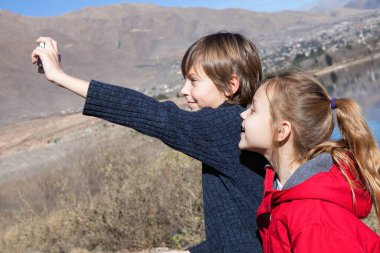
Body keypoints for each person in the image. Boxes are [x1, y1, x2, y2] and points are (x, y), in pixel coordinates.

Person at [31, 32, 268, 253]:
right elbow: (239, 228)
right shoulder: (238, 124)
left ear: (230, 85)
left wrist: (60, 77)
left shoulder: (225, 125)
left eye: (194, 81)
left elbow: (154, 115)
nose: (184, 90)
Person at [239, 71, 380, 253]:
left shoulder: (311, 218)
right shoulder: (285, 198)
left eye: (253, 110)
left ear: (281, 131)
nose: (243, 115)